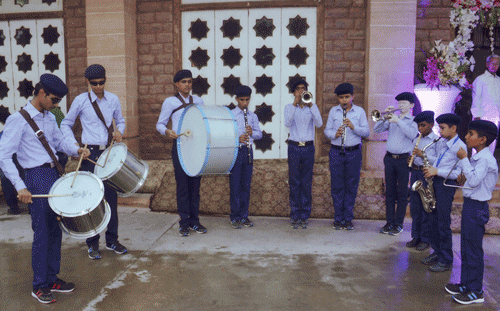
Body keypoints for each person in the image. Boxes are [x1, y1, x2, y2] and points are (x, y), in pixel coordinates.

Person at [0, 73, 90, 304]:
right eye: (54, 99)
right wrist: (20, 186)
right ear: (41, 93)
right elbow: (3, 156)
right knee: (41, 232)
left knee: (55, 229)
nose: (56, 104)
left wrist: (76, 149)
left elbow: (59, 141)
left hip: (53, 173)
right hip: (36, 176)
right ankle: (39, 285)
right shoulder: (18, 120)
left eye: (59, 100)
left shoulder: (49, 116)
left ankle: (52, 278)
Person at [61, 64, 127, 260]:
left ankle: (113, 240)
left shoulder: (113, 99)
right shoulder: (81, 101)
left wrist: (119, 131)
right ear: (88, 82)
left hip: (107, 154)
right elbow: (66, 123)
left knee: (111, 199)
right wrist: (74, 145)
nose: (98, 87)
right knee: (92, 200)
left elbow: (120, 120)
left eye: (101, 83)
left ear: (105, 80)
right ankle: (92, 244)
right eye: (94, 84)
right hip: (89, 155)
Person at [444, 120, 498, 305]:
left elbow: (475, 181)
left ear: (482, 139)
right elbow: (472, 180)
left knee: (473, 250)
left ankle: (476, 291)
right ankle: (466, 284)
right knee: (466, 248)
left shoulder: (485, 159)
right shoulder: (477, 158)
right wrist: (462, 178)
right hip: (470, 205)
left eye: (471, 134)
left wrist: (463, 160)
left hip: (477, 208)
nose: (466, 137)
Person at [156, 69, 207, 236]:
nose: (187, 85)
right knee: (183, 186)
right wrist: (167, 132)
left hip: (196, 148)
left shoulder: (198, 101)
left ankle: (195, 221)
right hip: (179, 147)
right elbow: (160, 124)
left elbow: (204, 122)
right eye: (184, 82)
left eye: (190, 81)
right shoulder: (170, 102)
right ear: (176, 84)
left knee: (195, 186)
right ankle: (184, 222)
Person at [420, 113, 467, 272]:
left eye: (442, 128)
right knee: (432, 219)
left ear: (453, 128)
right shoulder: (443, 142)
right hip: (435, 183)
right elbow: (438, 161)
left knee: (442, 222)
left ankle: (446, 259)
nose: (439, 131)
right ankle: (437, 251)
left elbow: (459, 174)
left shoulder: (460, 146)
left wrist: (436, 171)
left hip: (446, 186)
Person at [324, 83, 369, 230]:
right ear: (338, 98)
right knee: (337, 185)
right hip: (337, 151)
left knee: (351, 185)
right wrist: (334, 134)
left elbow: (367, 132)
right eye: (341, 98)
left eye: (347, 97)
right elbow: (327, 131)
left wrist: (353, 127)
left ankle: (348, 218)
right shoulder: (334, 111)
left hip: (354, 152)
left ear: (352, 96)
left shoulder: (359, 111)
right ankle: (338, 218)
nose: (344, 100)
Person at [374, 92, 418, 235]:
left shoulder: (413, 121)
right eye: (399, 103)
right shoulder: (393, 118)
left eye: (404, 103)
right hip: (390, 159)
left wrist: (398, 121)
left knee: (402, 192)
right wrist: (383, 118)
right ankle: (389, 222)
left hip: (404, 160)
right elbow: (376, 130)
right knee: (390, 192)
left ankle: (399, 224)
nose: (400, 106)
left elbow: (412, 135)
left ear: (411, 105)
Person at [284, 80, 322, 229]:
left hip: (308, 148)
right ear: (294, 92)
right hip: (293, 148)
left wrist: (311, 105)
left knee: (306, 182)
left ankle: (304, 215)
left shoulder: (311, 108)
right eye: (298, 89)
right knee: (294, 181)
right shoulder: (289, 107)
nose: (300, 91)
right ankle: (294, 215)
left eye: (303, 89)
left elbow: (319, 123)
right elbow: (287, 122)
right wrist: (295, 103)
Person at [229, 85, 262, 229]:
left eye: (247, 100)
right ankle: (235, 216)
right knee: (235, 185)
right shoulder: (230, 115)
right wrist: (238, 139)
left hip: (248, 151)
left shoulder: (252, 116)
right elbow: (225, 135)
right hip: (235, 151)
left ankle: (244, 216)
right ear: (236, 99)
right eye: (242, 100)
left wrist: (251, 132)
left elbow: (259, 134)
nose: (245, 103)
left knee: (245, 185)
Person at [407, 111, 438, 251]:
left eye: (423, 125)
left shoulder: (436, 140)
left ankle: (426, 239)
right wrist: (411, 159)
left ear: (431, 125)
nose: (420, 129)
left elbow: (437, 160)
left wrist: (422, 154)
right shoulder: (416, 139)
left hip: (427, 174)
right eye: (418, 126)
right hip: (415, 171)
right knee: (415, 206)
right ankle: (416, 236)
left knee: (426, 207)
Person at [471, 54, 500, 153]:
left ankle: (488, 165)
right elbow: (476, 98)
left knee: (492, 142)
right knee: (479, 143)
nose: (495, 66)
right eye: (493, 63)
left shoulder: (498, 80)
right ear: (487, 64)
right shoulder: (480, 79)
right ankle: (476, 166)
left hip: (495, 117)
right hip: (482, 116)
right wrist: (476, 116)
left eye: (497, 64)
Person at [0, 107, 23, 215]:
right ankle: (32, 207)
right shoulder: (19, 128)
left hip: (6, 161)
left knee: (6, 181)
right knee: (25, 180)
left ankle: (14, 208)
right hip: (20, 160)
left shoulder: (3, 134)